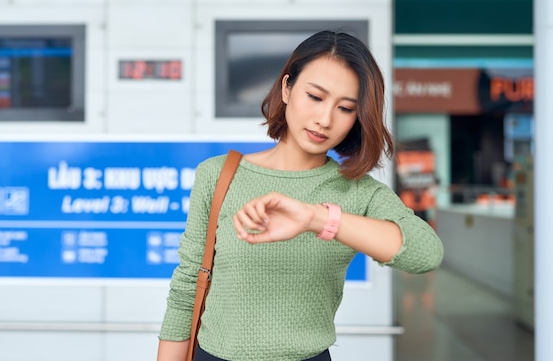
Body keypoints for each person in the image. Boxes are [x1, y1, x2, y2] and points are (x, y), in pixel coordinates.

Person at [157, 30, 444, 361]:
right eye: (316, 97)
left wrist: (317, 218)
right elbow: (186, 288)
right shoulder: (219, 175)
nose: (325, 119)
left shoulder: (357, 192)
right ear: (286, 88)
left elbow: (426, 253)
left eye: (346, 108)